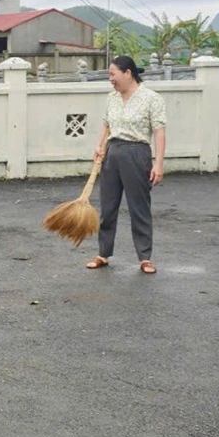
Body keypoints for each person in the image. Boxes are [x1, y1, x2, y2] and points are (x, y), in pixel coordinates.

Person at [87, 55, 167, 274]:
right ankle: (103, 254)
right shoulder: (112, 98)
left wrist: (158, 164)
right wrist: (99, 145)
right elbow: (106, 124)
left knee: (139, 207)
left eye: (113, 74)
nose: (110, 79)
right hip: (112, 153)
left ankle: (145, 258)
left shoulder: (151, 98)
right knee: (108, 206)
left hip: (137, 152)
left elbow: (159, 132)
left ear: (128, 73)